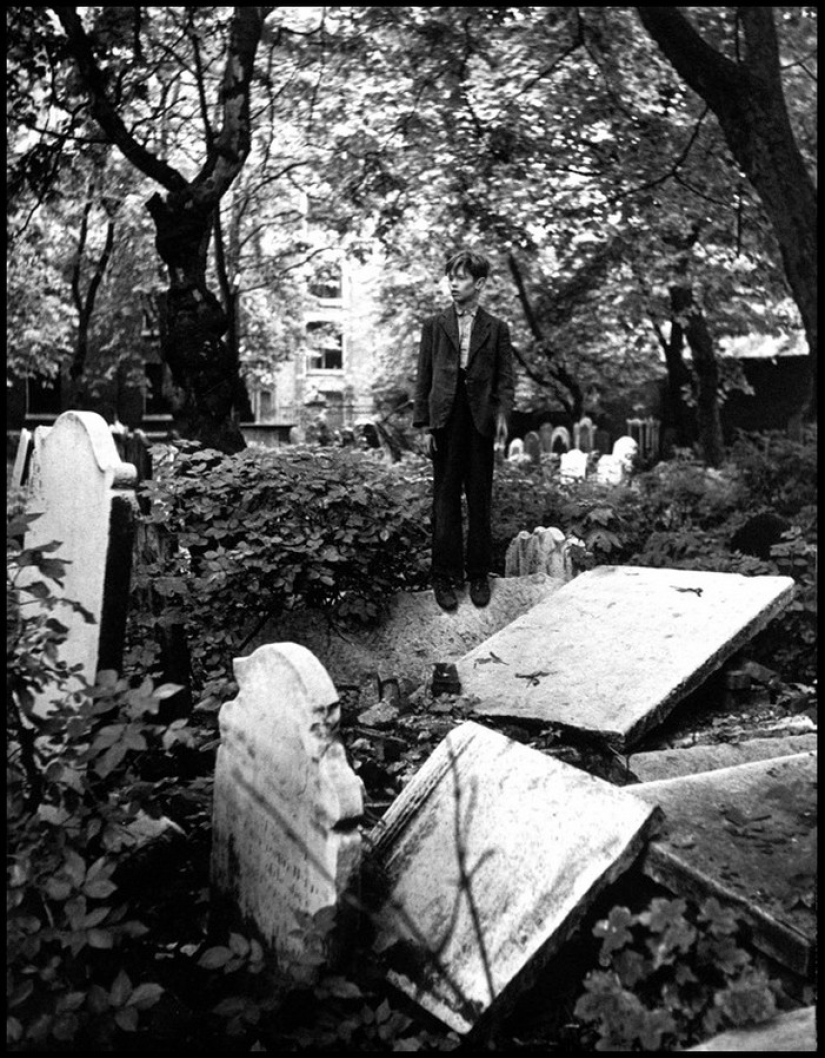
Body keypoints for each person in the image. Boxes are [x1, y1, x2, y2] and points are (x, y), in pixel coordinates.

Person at [413, 249, 515, 611]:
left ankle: (478, 575)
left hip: (479, 422)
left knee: (479, 498)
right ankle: (444, 577)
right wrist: (424, 425)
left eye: (460, 277)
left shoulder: (497, 328)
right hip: (444, 419)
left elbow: (505, 380)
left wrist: (502, 416)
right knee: (444, 501)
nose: (452, 283)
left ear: (480, 283)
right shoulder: (434, 326)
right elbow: (423, 376)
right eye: (450, 277)